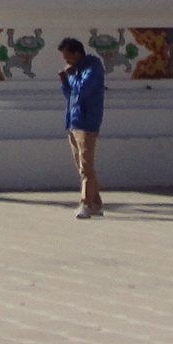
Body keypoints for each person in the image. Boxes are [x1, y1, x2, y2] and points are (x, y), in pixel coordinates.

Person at [56, 37, 104, 218]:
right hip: (74, 120)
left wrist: (70, 75)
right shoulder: (75, 70)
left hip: (87, 121)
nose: (66, 60)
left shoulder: (92, 67)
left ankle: (85, 203)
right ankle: (96, 203)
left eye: (67, 56)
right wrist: (64, 80)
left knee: (86, 166)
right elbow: (70, 94)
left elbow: (83, 89)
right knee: (82, 165)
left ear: (77, 54)